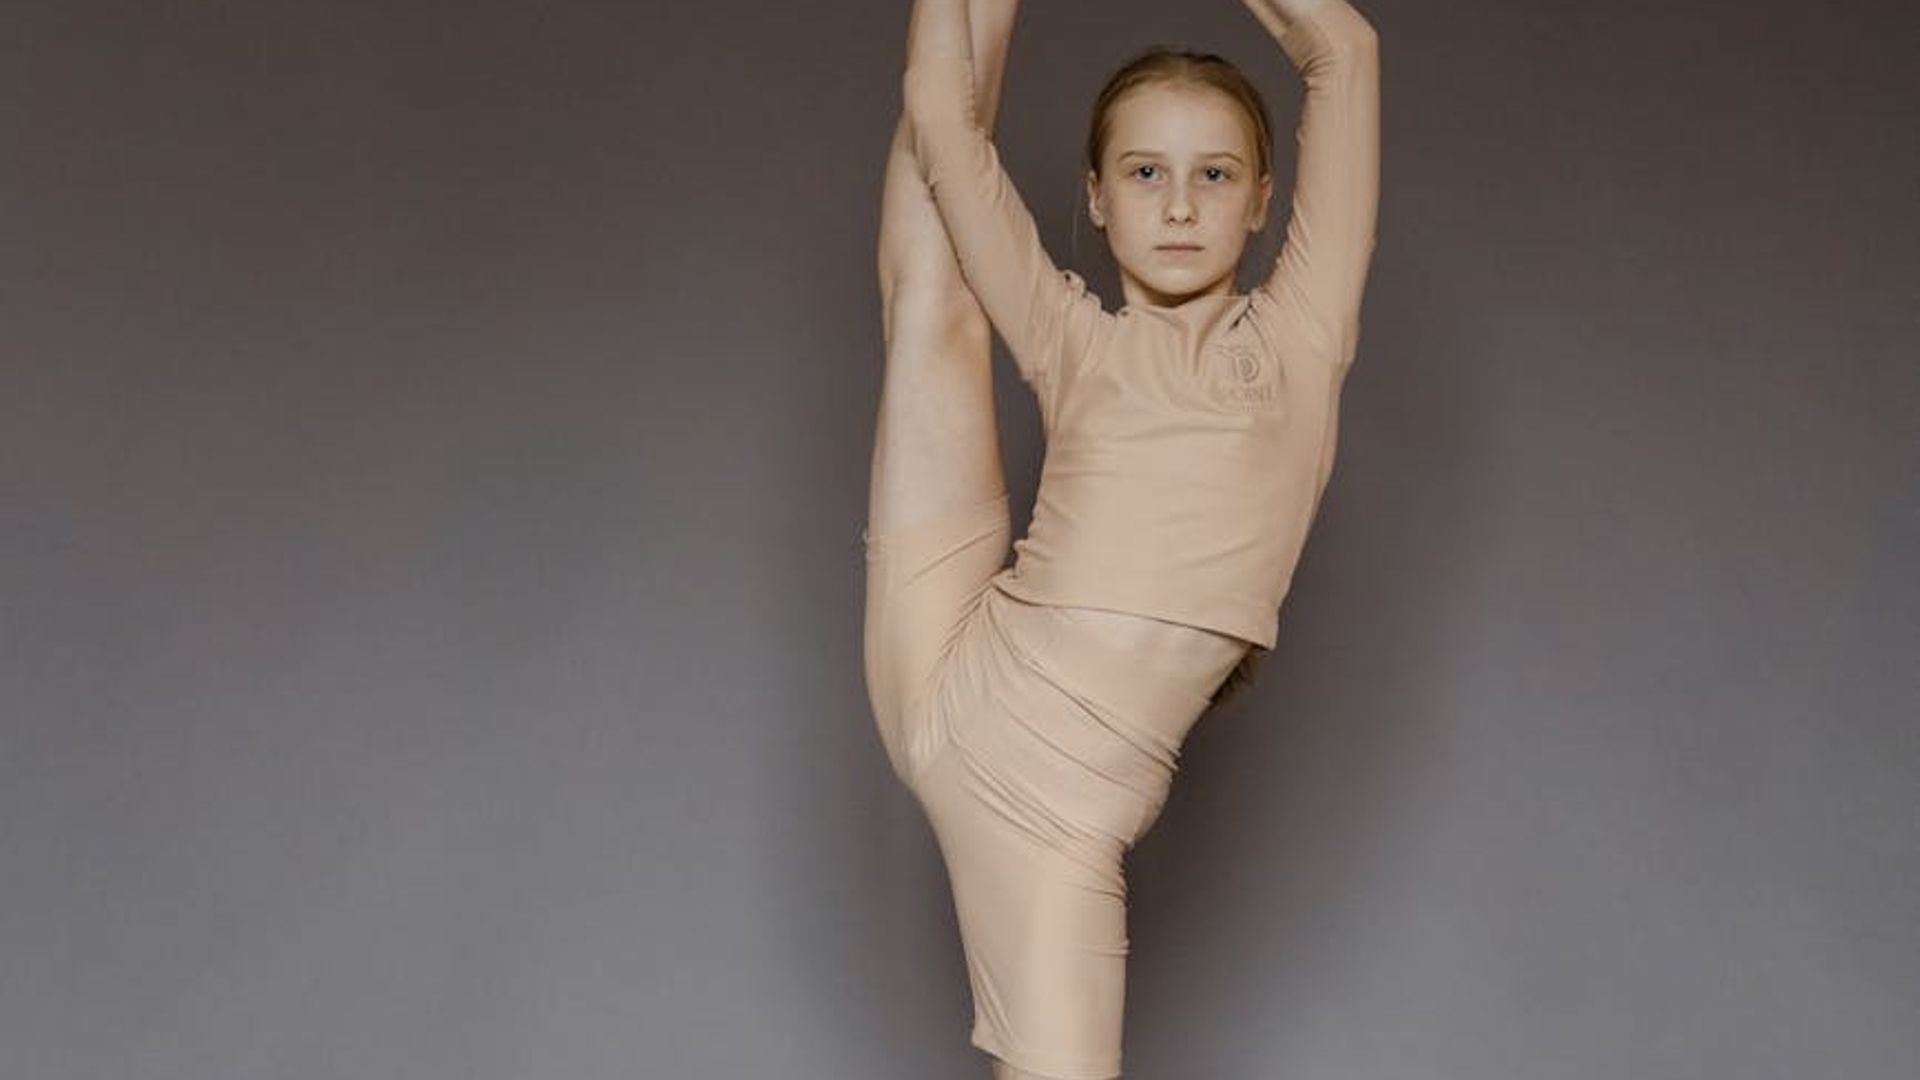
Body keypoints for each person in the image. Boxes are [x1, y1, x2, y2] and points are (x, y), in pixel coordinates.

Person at [862, 0, 1379, 1075]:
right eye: (1145, 173)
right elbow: (943, 125)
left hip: (1057, 816)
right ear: (1095, 199)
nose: (1181, 205)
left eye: (1215, 176)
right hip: (956, 651)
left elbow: (1345, 48)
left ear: (1264, 202)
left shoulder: (1301, 339)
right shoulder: (1074, 339)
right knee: (933, 304)